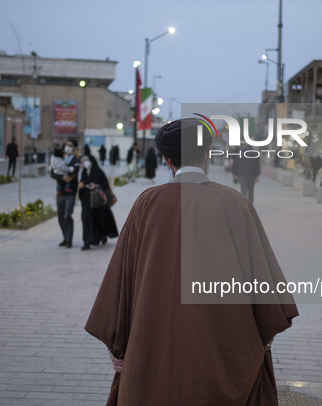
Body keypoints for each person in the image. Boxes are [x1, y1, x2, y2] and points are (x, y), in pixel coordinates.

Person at [85, 119, 298, 406]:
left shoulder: (145, 204)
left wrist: (117, 344)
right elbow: (265, 287)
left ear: (165, 159)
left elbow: (121, 280)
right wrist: (261, 339)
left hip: (153, 351)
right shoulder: (236, 204)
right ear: (208, 153)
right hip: (223, 357)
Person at [79, 155, 118, 250]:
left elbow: (105, 184)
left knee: (99, 220)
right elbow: (82, 185)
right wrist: (81, 186)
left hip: (98, 202)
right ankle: (86, 242)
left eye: (86, 160)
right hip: (86, 201)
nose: (85, 163)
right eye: (83, 161)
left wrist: (96, 185)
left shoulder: (98, 172)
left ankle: (102, 235)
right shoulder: (83, 173)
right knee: (86, 220)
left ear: (92, 161)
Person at [51, 139, 81, 248]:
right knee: (60, 216)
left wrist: (65, 178)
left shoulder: (76, 160)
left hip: (70, 192)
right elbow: (52, 173)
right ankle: (65, 237)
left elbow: (74, 172)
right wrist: (61, 177)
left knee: (67, 215)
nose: (67, 147)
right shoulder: (59, 157)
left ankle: (69, 239)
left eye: (70, 145)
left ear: (74, 148)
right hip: (60, 192)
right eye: (66, 145)